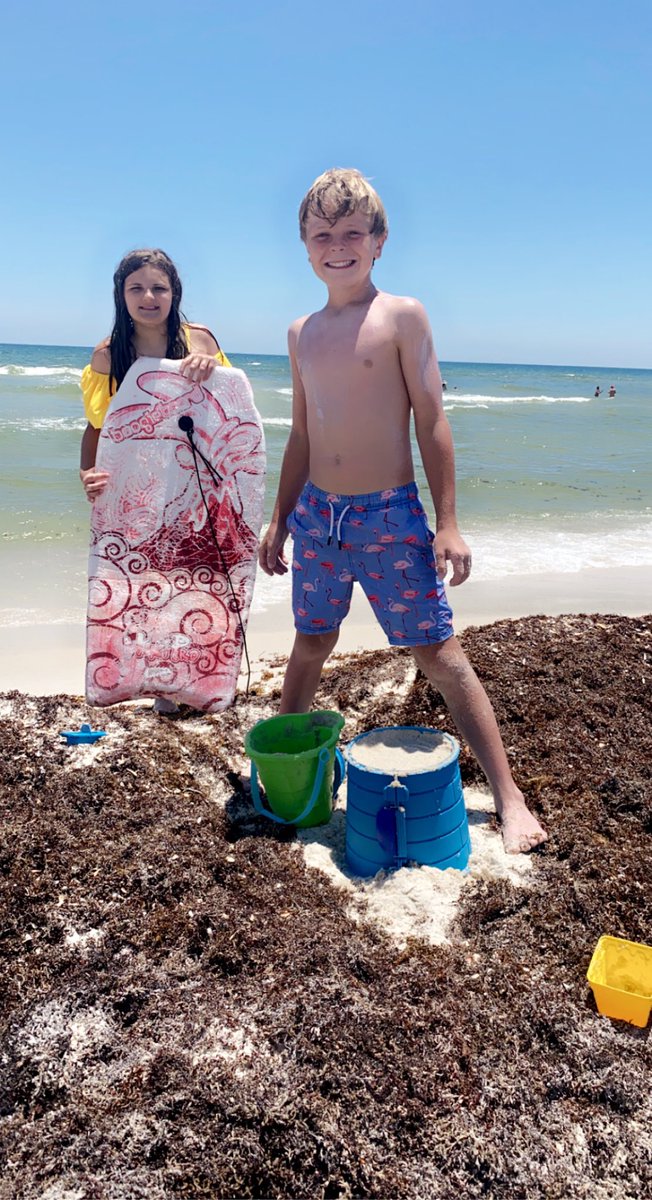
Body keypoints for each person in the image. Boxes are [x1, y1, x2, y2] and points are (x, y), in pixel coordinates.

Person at [259, 168, 547, 853]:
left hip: (388, 516)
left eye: (352, 232)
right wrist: (280, 517)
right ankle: (280, 776)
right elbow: (302, 433)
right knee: (310, 645)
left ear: (379, 241)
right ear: (304, 246)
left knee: (438, 655)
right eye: (322, 234)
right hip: (318, 521)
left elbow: (432, 420)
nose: (338, 246)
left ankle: (509, 797)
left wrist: (446, 521)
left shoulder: (402, 316)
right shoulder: (301, 331)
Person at [80, 248, 231, 713]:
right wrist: (88, 475)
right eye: (137, 288)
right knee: (140, 578)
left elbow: (227, 413)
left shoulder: (199, 340)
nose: (149, 297)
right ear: (121, 295)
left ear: (174, 293)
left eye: (159, 287)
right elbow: (97, 427)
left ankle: (191, 679)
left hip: (190, 473)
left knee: (186, 575)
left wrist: (209, 373)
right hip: (136, 480)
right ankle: (149, 676)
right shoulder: (108, 356)